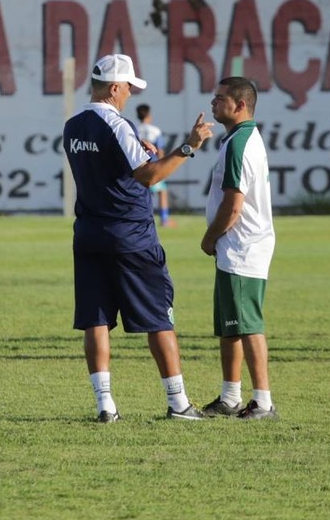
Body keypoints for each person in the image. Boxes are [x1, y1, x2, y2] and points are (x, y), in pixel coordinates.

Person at [63, 53, 213, 423]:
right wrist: (188, 146)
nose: (130, 93)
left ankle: (105, 405)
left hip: (89, 234)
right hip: (130, 236)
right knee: (159, 318)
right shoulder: (117, 125)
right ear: (114, 88)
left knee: (96, 320)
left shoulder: (72, 126)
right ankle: (179, 403)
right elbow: (149, 176)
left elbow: (107, 166)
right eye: (129, 86)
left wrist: (138, 153)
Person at [199, 77, 278, 420]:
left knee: (248, 325)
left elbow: (233, 205)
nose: (213, 103)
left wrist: (210, 237)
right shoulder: (237, 138)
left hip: (243, 245)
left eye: (220, 98)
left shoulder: (240, 143)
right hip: (235, 245)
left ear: (240, 105)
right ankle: (230, 397)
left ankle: (263, 402)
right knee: (231, 325)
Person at [136, 104, 175, 227]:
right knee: (162, 192)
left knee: (141, 194)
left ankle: (140, 218)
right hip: (153, 166)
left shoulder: (135, 129)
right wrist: (162, 165)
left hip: (138, 167)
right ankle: (164, 219)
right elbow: (160, 150)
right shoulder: (155, 130)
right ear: (148, 115)